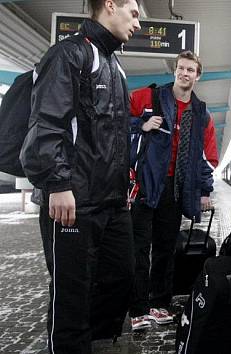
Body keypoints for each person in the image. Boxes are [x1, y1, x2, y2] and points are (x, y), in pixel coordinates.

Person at [19, 0, 141, 352]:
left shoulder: (116, 67)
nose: (138, 22)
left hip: (113, 202)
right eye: (133, 13)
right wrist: (57, 184)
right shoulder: (69, 55)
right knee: (72, 295)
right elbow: (47, 123)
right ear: (110, 5)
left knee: (121, 278)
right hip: (73, 200)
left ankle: (97, 344)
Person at [127, 50, 219, 331]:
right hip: (144, 185)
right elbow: (115, 123)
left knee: (166, 249)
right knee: (139, 249)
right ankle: (138, 309)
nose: (185, 73)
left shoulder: (202, 114)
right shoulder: (148, 98)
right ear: (174, 71)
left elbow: (207, 158)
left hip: (175, 189)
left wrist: (204, 190)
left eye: (191, 69)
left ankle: (159, 304)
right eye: (181, 68)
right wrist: (141, 125)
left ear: (198, 75)